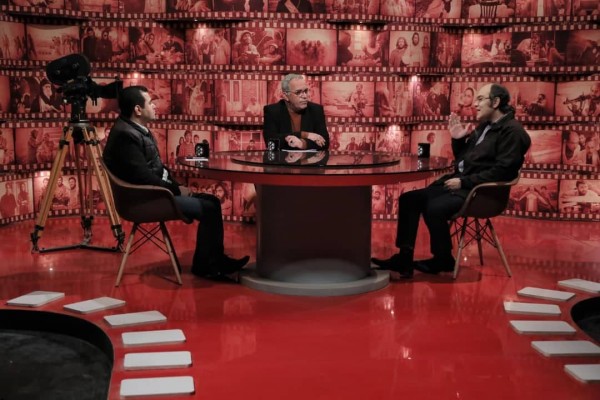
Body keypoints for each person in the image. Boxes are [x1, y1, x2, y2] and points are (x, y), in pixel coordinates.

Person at [372, 83, 531, 277]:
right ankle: (404, 259)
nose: (475, 104)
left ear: (496, 102)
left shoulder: (513, 132)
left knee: (434, 207)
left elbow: (503, 171)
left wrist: (465, 182)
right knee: (409, 199)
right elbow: (463, 160)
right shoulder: (485, 127)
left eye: (480, 99)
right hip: (461, 185)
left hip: (480, 193)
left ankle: (443, 259)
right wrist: (458, 139)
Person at [103, 86, 249, 279]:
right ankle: (208, 266)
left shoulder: (135, 130)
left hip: (155, 193)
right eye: (150, 103)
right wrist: (176, 190)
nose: (155, 106)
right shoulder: (126, 135)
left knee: (213, 201)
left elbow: (157, 169)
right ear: (138, 110)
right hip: (145, 200)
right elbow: (144, 177)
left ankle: (213, 261)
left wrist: (176, 186)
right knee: (209, 208)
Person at [263, 74, 329, 151]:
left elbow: (325, 142)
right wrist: (304, 134)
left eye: (306, 91)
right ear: (285, 96)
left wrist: (302, 143)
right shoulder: (273, 111)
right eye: (298, 92)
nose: (305, 96)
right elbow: (270, 142)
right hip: (282, 158)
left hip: (309, 159)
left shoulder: (316, 110)